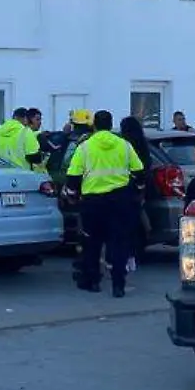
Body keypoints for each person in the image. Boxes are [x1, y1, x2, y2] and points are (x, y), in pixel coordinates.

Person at [66, 110, 144, 297]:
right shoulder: (124, 145)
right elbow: (139, 172)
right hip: (120, 200)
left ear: (94, 125)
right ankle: (118, 285)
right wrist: (138, 190)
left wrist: (72, 194)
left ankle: (93, 282)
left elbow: (73, 176)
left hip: (93, 203)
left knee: (92, 243)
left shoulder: (84, 147)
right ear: (111, 125)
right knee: (118, 243)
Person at [118, 115, 157, 272]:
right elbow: (145, 167)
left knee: (121, 225)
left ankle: (124, 257)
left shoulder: (124, 145)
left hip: (124, 188)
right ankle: (133, 256)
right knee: (134, 223)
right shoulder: (143, 144)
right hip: (139, 189)